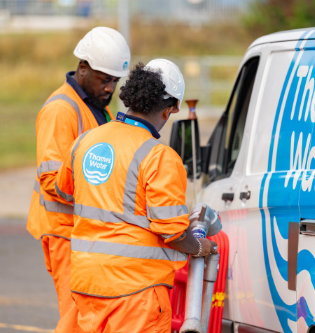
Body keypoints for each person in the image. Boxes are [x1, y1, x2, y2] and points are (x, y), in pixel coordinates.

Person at [54, 59, 218, 333]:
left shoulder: (86, 140)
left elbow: (63, 190)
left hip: (87, 285)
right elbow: (173, 233)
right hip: (136, 291)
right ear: (169, 111)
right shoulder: (159, 156)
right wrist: (202, 247)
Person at [26, 27, 131, 332]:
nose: (110, 88)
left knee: (91, 317)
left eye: (115, 80)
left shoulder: (98, 109)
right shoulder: (61, 110)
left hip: (86, 233)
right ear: (83, 68)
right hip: (64, 233)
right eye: (104, 79)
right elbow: (51, 180)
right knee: (76, 318)